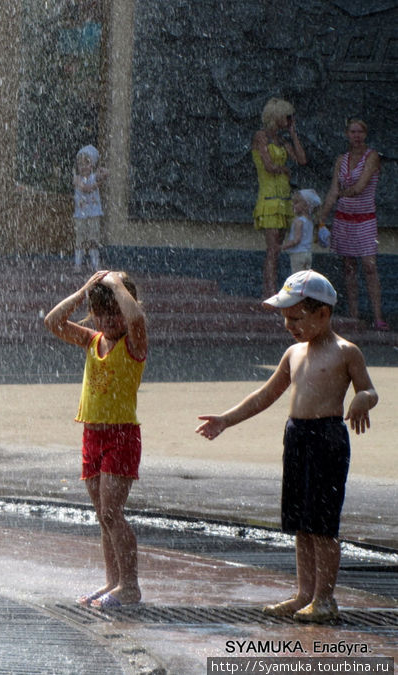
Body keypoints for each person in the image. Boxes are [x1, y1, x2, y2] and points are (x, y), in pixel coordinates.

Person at [196, 270, 378, 624]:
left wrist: (362, 401)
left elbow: (369, 390)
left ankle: (325, 598)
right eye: (285, 318)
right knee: (300, 523)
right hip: (296, 436)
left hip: (327, 438)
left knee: (322, 525)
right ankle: (303, 593)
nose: (288, 325)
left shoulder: (345, 352)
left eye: (296, 318)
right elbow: (265, 394)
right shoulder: (293, 353)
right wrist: (226, 420)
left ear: (323, 314)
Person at [45, 270, 147, 608]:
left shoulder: (134, 342)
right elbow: (53, 321)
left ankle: (129, 587)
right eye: (101, 314)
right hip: (92, 434)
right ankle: (112, 582)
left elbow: (137, 318)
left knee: (112, 513)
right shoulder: (92, 339)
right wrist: (83, 291)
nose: (108, 321)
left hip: (121, 435)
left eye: (114, 312)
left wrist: (117, 285)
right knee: (103, 515)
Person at [318, 119, 387, 330]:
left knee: (369, 266)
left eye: (360, 132)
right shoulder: (342, 159)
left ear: (365, 134)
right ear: (347, 134)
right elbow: (332, 191)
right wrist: (321, 219)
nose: (356, 135)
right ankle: (354, 315)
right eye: (352, 131)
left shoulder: (372, 156)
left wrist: (341, 194)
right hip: (344, 218)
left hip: (365, 218)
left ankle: (377, 316)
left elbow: (360, 186)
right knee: (348, 267)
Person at [251, 98, 307, 298]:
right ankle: (270, 292)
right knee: (272, 249)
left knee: (278, 249)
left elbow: (301, 159)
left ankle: (273, 289)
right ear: (276, 116)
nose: (290, 119)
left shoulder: (282, 141)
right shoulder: (261, 137)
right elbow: (268, 166)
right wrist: (283, 168)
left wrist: (293, 134)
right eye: (287, 116)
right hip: (269, 199)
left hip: (284, 200)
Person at [72, 145, 109, 269]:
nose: (83, 167)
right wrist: (99, 183)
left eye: (87, 163)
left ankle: (95, 263)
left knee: (94, 238)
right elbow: (85, 188)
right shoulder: (77, 179)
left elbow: (106, 174)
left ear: (92, 165)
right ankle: (78, 263)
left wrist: (102, 171)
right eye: (80, 164)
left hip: (93, 213)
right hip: (80, 215)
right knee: (80, 239)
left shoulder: (94, 177)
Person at [281, 189, 320, 274]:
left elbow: (296, 240)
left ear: (306, 206)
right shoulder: (310, 221)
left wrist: (283, 246)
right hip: (308, 254)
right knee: (305, 278)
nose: (293, 205)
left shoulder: (298, 221)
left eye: (296, 203)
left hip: (298, 254)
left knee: (297, 277)